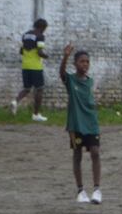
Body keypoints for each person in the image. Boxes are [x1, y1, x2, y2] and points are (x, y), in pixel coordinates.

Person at [59, 43, 101, 203]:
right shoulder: (70, 80)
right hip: (76, 124)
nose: (85, 64)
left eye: (87, 62)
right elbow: (62, 74)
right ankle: (81, 191)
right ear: (75, 64)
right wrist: (65, 56)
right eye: (82, 61)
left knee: (95, 152)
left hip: (91, 122)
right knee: (77, 155)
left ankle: (97, 190)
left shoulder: (90, 81)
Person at [12, 18, 50, 122]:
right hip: (35, 67)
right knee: (40, 89)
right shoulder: (40, 36)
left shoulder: (25, 35)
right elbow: (40, 52)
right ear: (42, 27)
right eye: (45, 28)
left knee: (27, 88)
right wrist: (47, 56)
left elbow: (21, 50)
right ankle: (36, 114)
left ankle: (15, 101)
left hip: (25, 66)